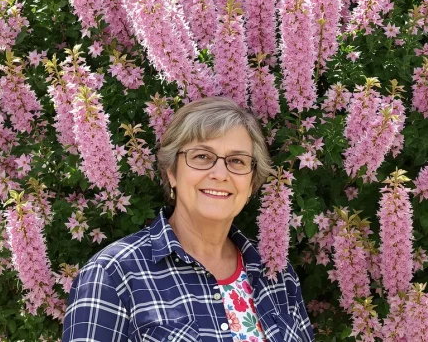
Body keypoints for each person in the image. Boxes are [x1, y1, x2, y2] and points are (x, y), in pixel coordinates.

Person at [62, 97, 315, 342]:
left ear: (251, 183)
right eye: (202, 156)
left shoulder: (276, 274)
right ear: (172, 172)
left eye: (237, 161)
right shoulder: (112, 275)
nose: (220, 174)